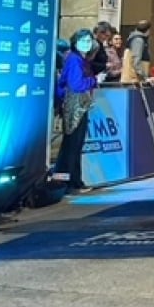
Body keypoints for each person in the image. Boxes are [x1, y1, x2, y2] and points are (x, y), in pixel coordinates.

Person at [54, 29, 107, 191]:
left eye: (88, 41)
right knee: (72, 146)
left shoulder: (79, 59)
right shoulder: (74, 60)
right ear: (75, 43)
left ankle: (68, 181)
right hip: (74, 106)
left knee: (73, 146)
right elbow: (76, 85)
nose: (86, 44)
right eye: (82, 41)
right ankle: (69, 182)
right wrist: (94, 80)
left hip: (79, 105)